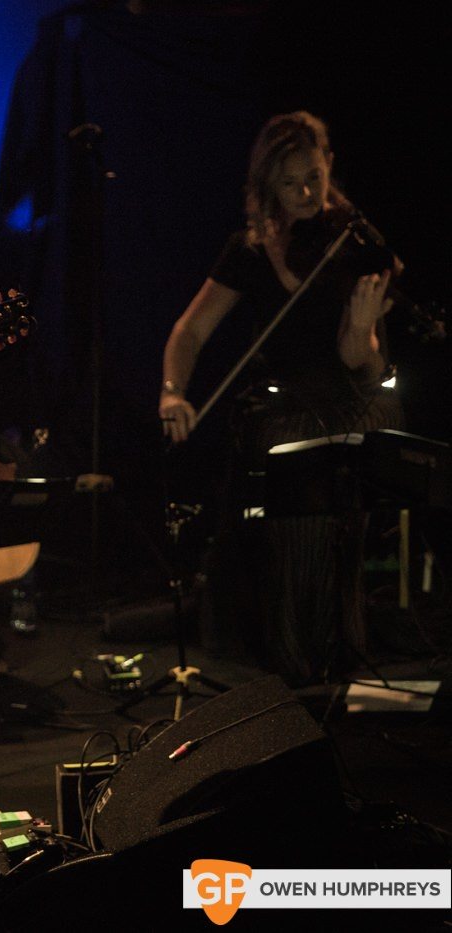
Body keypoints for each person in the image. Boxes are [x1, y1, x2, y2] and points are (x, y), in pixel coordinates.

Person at [159, 111, 402, 685]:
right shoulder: (249, 247)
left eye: (314, 178)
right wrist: (173, 392)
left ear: (329, 168)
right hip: (282, 402)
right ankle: (298, 653)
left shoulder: (355, 240)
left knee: (352, 442)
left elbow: (364, 365)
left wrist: (362, 332)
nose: (307, 194)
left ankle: (337, 643)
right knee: (296, 452)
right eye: (291, 183)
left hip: (352, 391)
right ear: (267, 184)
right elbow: (190, 332)